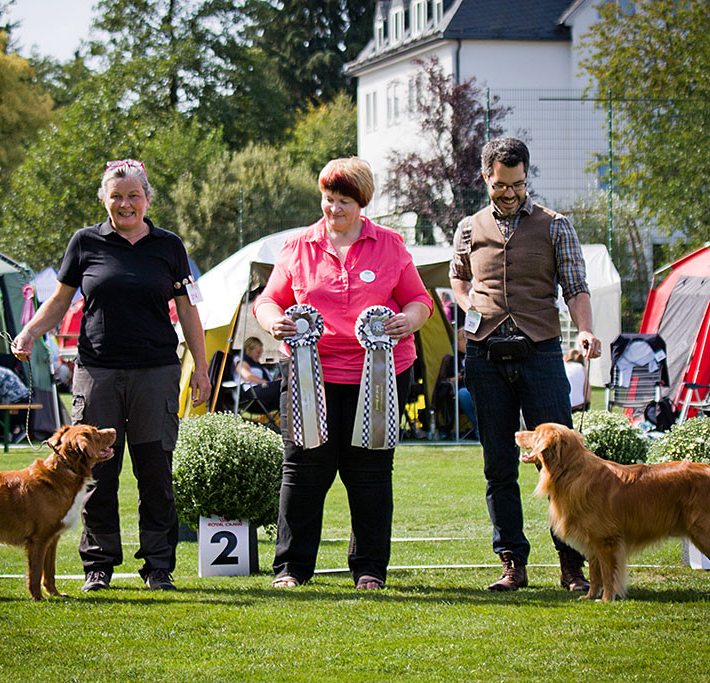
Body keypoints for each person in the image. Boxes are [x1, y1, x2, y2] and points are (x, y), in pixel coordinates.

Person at [10, 158, 211, 593]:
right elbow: (60, 302)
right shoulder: (85, 243)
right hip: (97, 373)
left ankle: (159, 566)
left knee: (155, 471)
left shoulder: (169, 246)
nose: (125, 204)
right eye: (116, 196)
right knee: (95, 473)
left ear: (147, 199)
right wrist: (29, 330)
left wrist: (202, 368)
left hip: (156, 373)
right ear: (104, 199)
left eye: (133, 195)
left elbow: (190, 311)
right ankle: (98, 566)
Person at [254, 157, 433, 590]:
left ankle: (369, 568)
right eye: (328, 199)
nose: (333, 209)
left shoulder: (390, 245)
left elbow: (420, 301)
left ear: (362, 203)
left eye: (343, 201)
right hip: (307, 376)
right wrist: (272, 320)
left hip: (381, 376)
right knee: (302, 470)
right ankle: (292, 569)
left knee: (370, 474)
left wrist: (408, 321)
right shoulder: (297, 247)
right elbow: (267, 301)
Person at [449, 137, 601, 593]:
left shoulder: (556, 226)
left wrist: (586, 329)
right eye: (500, 185)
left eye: (517, 184)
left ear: (526, 177)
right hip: (485, 356)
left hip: (542, 355)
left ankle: (572, 565)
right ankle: (512, 562)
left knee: (562, 465)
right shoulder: (468, 228)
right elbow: (458, 275)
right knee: (499, 465)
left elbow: (575, 285)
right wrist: (467, 305)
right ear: (485, 179)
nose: (509, 193)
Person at [235, 337, 281, 411]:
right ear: (248, 350)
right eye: (258, 352)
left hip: (261, 393)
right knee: (282, 385)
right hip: (251, 395)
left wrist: (273, 382)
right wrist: (269, 383)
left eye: (261, 352)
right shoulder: (242, 362)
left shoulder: (257, 364)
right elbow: (248, 377)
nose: (259, 355)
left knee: (284, 385)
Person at [564, 348, 591, 412]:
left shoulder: (563, 366)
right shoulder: (583, 368)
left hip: (563, 405)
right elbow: (587, 395)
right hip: (578, 406)